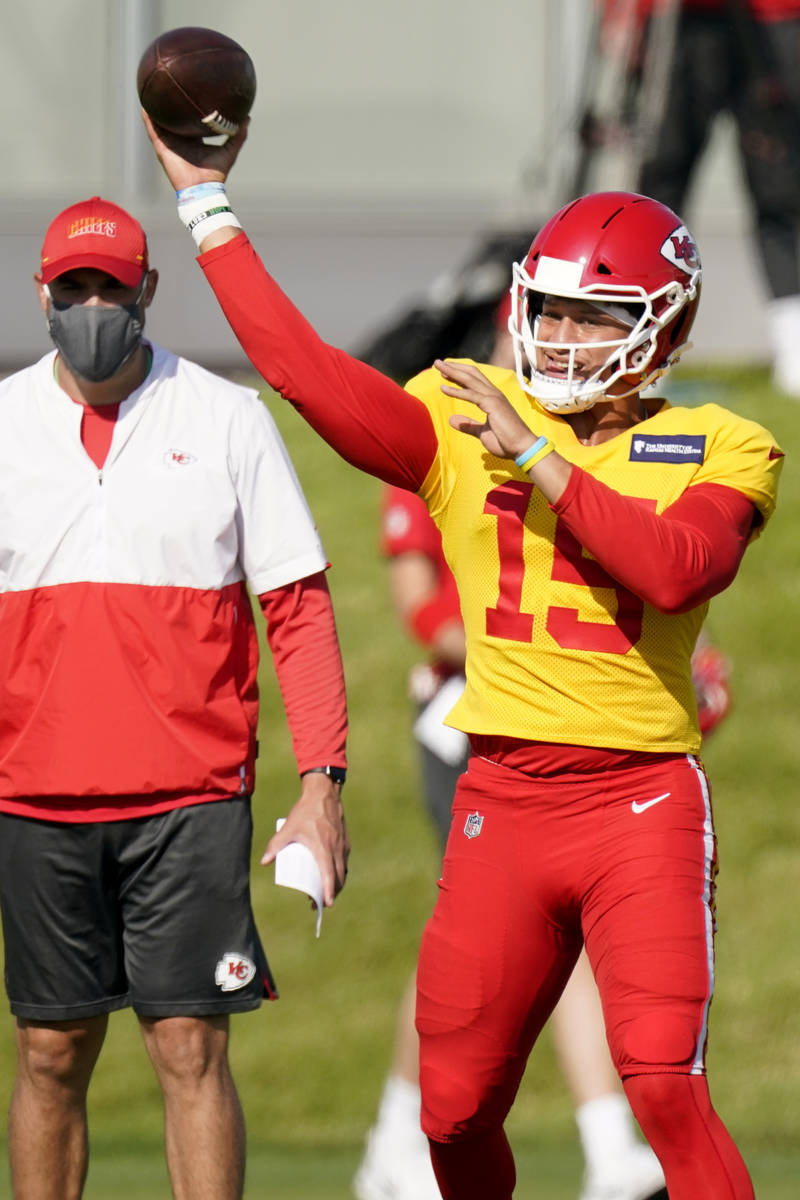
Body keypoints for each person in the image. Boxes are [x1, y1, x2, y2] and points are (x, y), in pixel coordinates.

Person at [144, 113, 783, 1200]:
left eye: (596, 316)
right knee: (451, 1108)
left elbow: (677, 570)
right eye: (551, 309)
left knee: (665, 1089)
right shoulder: (465, 411)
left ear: (663, 328)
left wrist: (535, 457)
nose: (562, 336)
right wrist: (206, 207)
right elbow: (305, 375)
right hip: (504, 798)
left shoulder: (719, 441)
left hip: (638, 801)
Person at [0, 196, 349, 1200]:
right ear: (43, 294)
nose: (92, 306)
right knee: (49, 1051)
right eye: (74, 287)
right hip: (34, 798)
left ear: (147, 289)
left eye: (111, 286)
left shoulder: (227, 417)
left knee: (190, 1044)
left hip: (190, 799)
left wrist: (321, 784)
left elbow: (297, 609)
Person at [631, 0, 800, 396]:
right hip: (681, 19)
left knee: (781, 187)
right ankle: (641, 346)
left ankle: (794, 345)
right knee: (658, 193)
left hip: (771, 17)